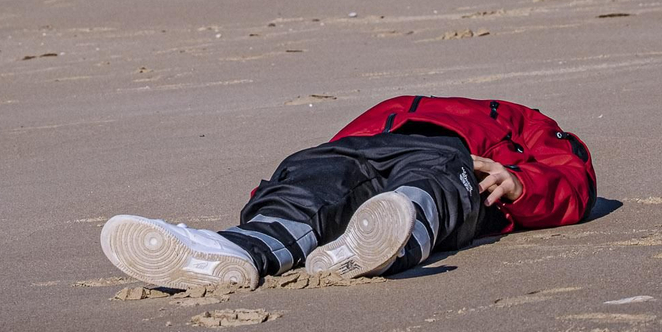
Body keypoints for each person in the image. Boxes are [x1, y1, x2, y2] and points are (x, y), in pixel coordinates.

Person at [100, 94, 596, 289]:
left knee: (431, 182)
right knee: (313, 181)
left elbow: (574, 175)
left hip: (448, 158)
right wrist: (286, 184)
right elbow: (318, 169)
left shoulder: (523, 120)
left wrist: (521, 183)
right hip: (354, 150)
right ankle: (236, 249)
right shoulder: (396, 106)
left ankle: (385, 240)